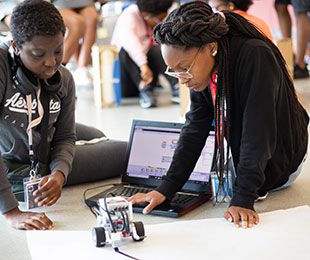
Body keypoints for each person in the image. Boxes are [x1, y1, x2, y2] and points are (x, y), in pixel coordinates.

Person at [128, 1, 309, 228]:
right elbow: (195, 126)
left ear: (210, 47)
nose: (182, 79)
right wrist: (166, 188)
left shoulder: (255, 56)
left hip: (283, 154)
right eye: (174, 72)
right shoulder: (201, 69)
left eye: (184, 68)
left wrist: (244, 197)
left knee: (225, 182)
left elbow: (258, 133)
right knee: (201, 179)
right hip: (248, 142)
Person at [0, 0, 127, 230]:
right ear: (16, 46)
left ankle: (64, 162)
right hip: (18, 163)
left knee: (97, 134)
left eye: (58, 50)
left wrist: (59, 174)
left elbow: (64, 136)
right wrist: (11, 212)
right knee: (124, 151)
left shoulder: (64, 78)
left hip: (44, 137)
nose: (51, 62)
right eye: (38, 54)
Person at [111, 0, 178, 108]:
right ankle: (145, 89)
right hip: (130, 76)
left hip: (148, 72)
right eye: (159, 20)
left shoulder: (148, 19)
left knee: (158, 48)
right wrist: (143, 65)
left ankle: (177, 86)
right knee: (125, 50)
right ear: (146, 15)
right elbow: (131, 44)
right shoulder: (128, 17)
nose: (160, 23)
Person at [53, 0, 101, 86]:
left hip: (84, 2)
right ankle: (56, 69)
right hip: (59, 3)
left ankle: (82, 68)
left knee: (92, 18)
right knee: (77, 23)